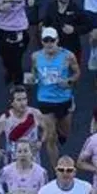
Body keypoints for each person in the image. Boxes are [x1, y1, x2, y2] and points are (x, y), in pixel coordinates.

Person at [31, 28, 79, 164]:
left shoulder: (68, 56)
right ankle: (55, 168)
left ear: (57, 40)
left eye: (52, 40)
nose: (49, 43)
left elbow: (77, 72)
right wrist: (33, 78)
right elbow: (34, 71)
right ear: (42, 42)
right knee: (50, 137)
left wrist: (69, 81)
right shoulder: (36, 56)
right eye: (46, 40)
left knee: (65, 133)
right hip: (45, 99)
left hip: (64, 99)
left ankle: (59, 130)